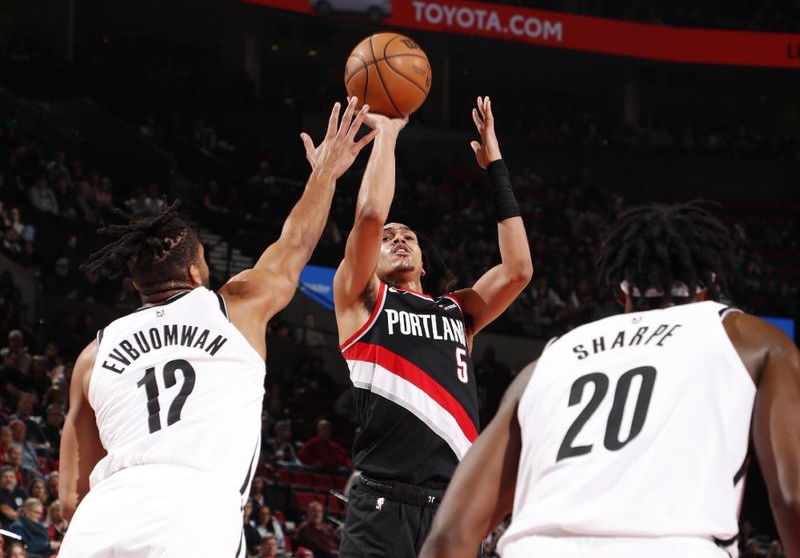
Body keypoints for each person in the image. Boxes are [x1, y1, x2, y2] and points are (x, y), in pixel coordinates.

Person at [57, 98, 378, 557]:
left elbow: (71, 497)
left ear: (136, 285)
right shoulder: (236, 308)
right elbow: (296, 242)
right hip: (195, 513)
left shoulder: (92, 356)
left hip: (100, 521)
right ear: (194, 273)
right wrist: (325, 172)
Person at [419, 202, 800, 558]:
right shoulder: (750, 339)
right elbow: (792, 496)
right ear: (708, 284)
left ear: (620, 291)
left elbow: (452, 533)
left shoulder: (552, 357)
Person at [333, 96, 532, 557]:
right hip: (381, 504)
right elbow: (369, 215)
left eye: (408, 237)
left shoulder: (457, 310)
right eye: (388, 239)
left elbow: (519, 269)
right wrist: (387, 134)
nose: (399, 239)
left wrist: (495, 166)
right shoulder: (363, 299)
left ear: (424, 259)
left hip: (452, 511)